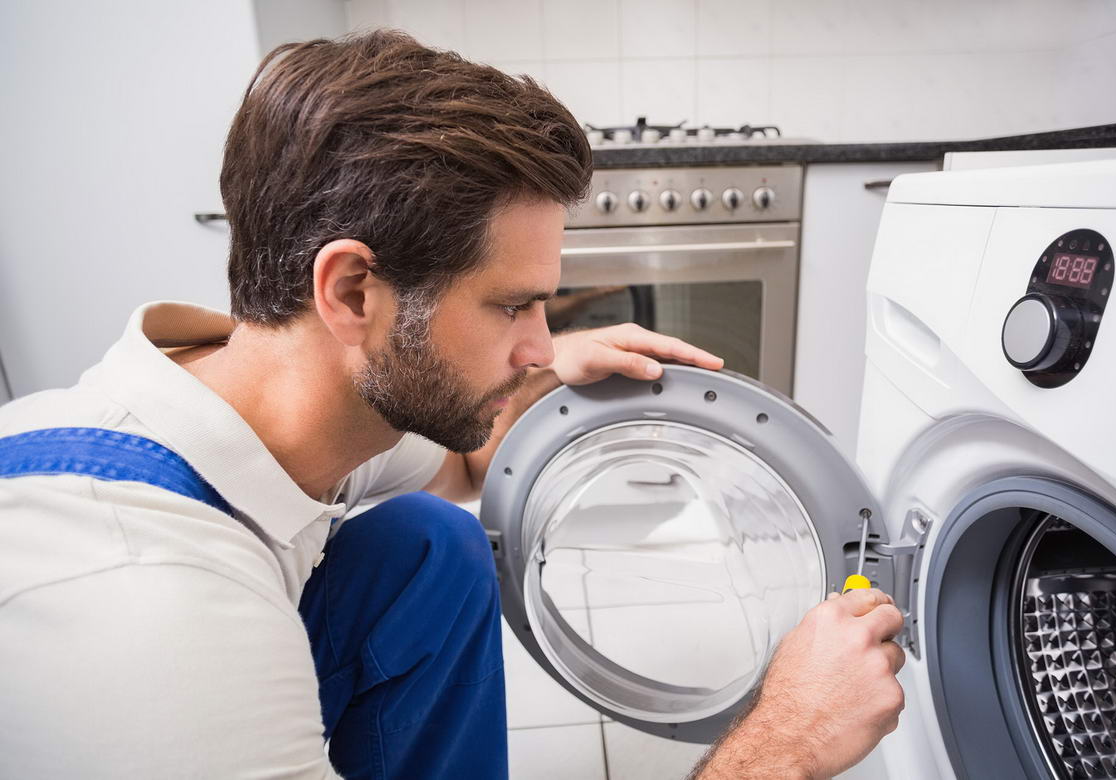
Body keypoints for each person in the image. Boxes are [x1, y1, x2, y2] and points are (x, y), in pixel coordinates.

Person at [0, 29, 904, 779]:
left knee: (424, 546)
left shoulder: (272, 395)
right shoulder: (150, 617)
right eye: (512, 306)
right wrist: (783, 744)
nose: (543, 341)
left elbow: (463, 468)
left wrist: (539, 374)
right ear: (353, 291)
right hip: (165, 689)